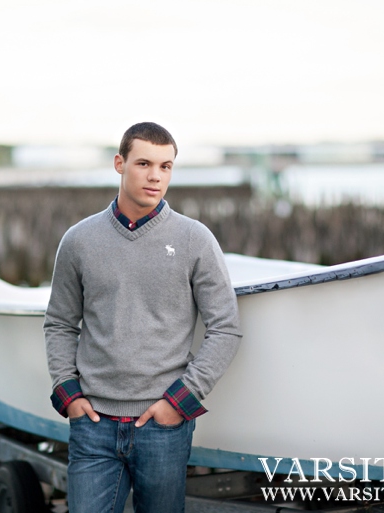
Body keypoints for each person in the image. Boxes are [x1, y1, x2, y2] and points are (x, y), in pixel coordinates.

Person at [44, 122, 242, 512]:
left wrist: (181, 400)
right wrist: (68, 394)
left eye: (166, 166)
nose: (156, 176)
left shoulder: (194, 239)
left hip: (162, 425)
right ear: (120, 163)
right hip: (93, 423)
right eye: (144, 163)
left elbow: (226, 327)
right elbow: (60, 323)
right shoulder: (79, 240)